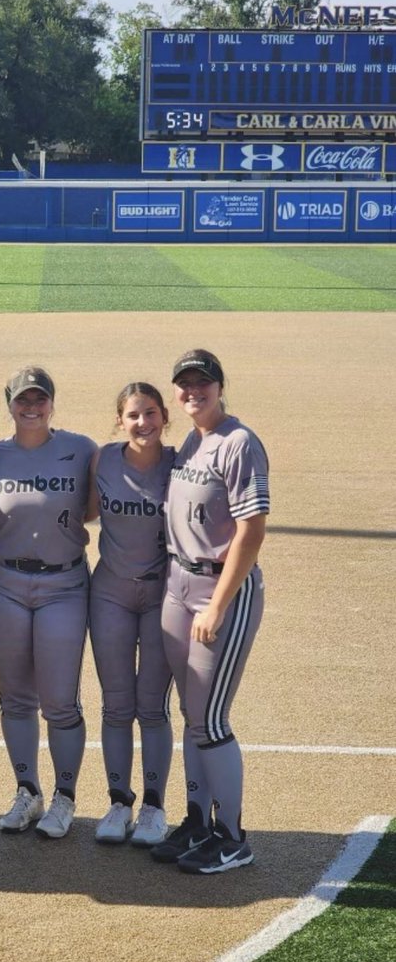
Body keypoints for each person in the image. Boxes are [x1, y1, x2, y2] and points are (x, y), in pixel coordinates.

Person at [154, 348, 269, 873]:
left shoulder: (239, 443)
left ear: (221, 386)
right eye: (184, 384)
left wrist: (218, 605)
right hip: (179, 586)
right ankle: (198, 821)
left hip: (218, 590)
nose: (192, 391)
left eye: (203, 383)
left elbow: (251, 530)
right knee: (192, 715)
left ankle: (233, 836)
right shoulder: (191, 442)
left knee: (212, 718)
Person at [0, 367, 95, 839]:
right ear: (9, 404)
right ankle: (27, 790)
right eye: (22, 399)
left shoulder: (82, 450)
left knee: (60, 699)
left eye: (39, 398)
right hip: (4, 580)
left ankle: (65, 797)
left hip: (64, 584)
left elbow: (95, 508)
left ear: (51, 403)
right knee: (14, 695)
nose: (31, 407)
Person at [89, 383, 176, 848]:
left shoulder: (180, 464)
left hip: (163, 597)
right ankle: (119, 801)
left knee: (152, 707)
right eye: (132, 416)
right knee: (116, 704)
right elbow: (75, 510)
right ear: (119, 421)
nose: (142, 423)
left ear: (164, 415)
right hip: (110, 595)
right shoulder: (101, 460)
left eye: (150, 413)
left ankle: (154, 807)